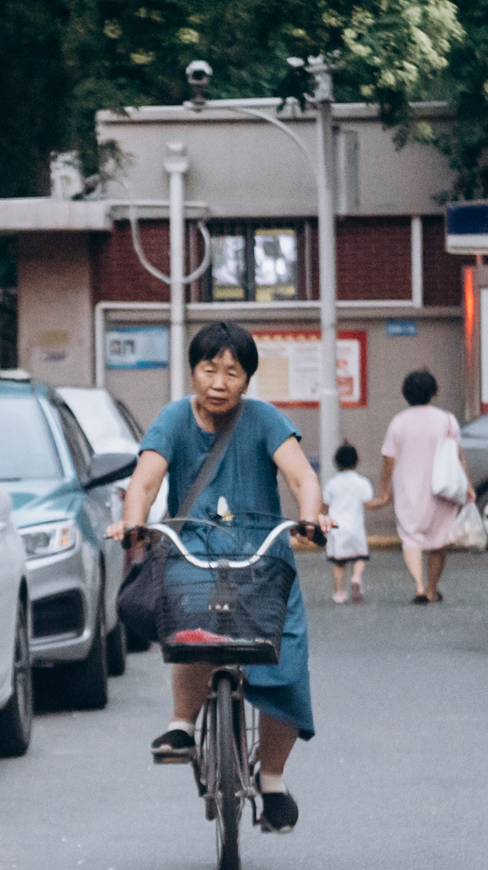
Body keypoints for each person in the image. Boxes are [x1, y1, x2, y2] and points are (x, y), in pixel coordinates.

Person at [106, 322, 328, 833]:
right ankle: (182, 726)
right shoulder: (173, 420)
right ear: (193, 371)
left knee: (287, 669)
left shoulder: (266, 420)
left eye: (233, 371)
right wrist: (134, 523)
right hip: (195, 552)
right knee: (192, 630)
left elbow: (302, 477)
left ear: (247, 379)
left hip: (264, 562)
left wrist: (311, 514)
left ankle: (271, 779)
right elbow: (145, 479)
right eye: (210, 369)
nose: (220, 382)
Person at [371, 369, 459, 602]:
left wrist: (383, 490)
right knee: (437, 540)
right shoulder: (447, 419)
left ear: (406, 394)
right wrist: (467, 486)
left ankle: (419, 586)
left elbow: (388, 459)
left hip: (408, 490)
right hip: (443, 489)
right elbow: (458, 456)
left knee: (411, 538)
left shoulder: (399, 422)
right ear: (433, 393)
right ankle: (432, 589)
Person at [322, 442, 373, 604]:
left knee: (338, 562)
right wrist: (385, 501)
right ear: (356, 462)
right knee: (359, 556)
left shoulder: (332, 484)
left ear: (336, 463)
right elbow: (369, 503)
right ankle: (356, 577)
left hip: (336, 527)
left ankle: (339, 593)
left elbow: (325, 505)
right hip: (356, 526)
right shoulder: (362, 482)